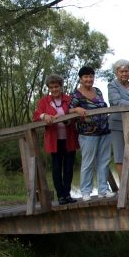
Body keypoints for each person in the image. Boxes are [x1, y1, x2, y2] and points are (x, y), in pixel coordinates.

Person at [69, 66, 114, 201]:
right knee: (88, 163)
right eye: (86, 77)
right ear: (81, 79)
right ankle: (86, 191)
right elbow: (68, 110)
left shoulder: (98, 91)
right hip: (87, 134)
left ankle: (103, 190)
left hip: (104, 131)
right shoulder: (76, 95)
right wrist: (77, 109)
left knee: (104, 161)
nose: (89, 79)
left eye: (91, 76)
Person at [33, 74, 79, 205]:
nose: (54, 89)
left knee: (69, 168)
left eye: (56, 86)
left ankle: (67, 194)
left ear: (61, 86)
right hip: (54, 140)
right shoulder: (43, 101)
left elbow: (76, 114)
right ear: (49, 88)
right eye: (51, 87)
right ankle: (60, 196)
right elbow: (36, 115)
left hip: (69, 138)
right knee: (57, 168)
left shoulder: (69, 99)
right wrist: (44, 115)